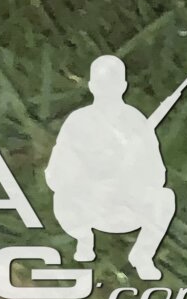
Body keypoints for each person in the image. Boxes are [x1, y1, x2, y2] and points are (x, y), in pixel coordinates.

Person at [45, 55, 178, 281]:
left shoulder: (136, 121)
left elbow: (157, 174)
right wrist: (90, 182)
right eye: (102, 84)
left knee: (165, 199)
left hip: (125, 204)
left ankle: (142, 256)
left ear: (123, 86)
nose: (107, 91)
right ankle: (84, 239)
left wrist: (132, 169)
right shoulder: (78, 121)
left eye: (113, 85)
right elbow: (56, 172)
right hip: (87, 204)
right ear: (92, 86)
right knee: (63, 198)